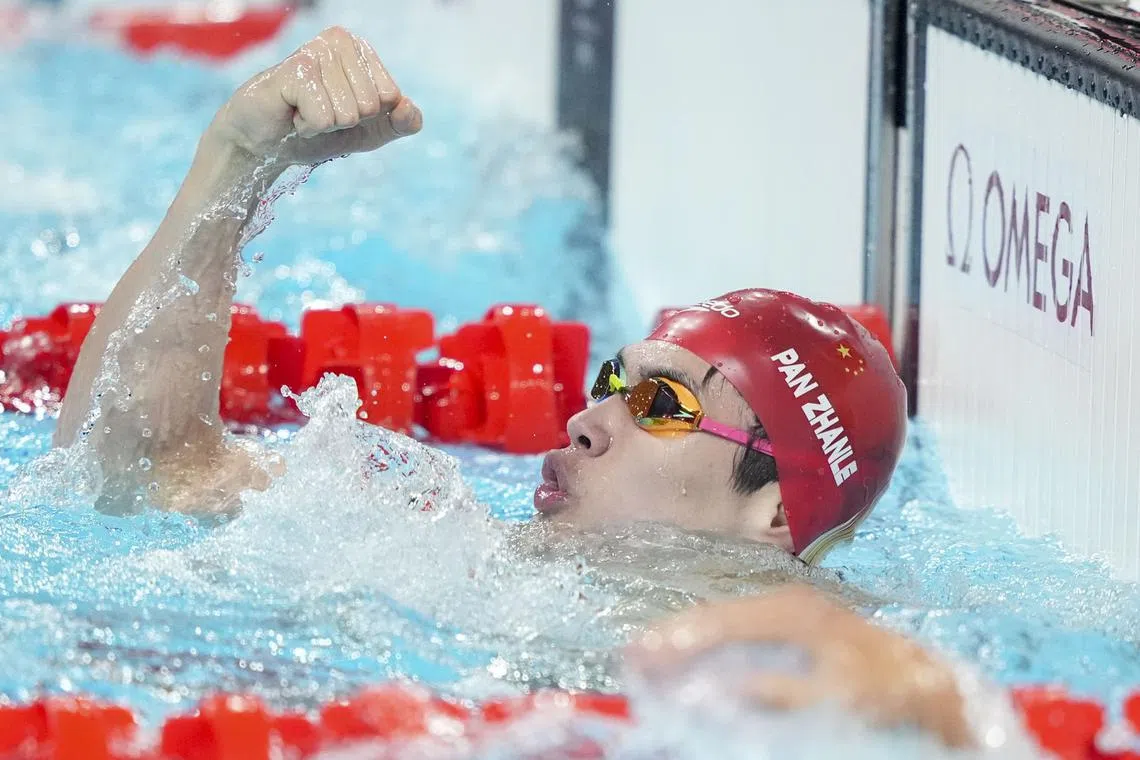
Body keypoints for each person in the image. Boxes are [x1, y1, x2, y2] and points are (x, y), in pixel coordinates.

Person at [46, 27, 998, 752]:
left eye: (663, 407)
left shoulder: (813, 661)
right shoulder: (446, 550)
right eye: (611, 383)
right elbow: (134, 472)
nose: (587, 420)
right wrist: (239, 159)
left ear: (777, 516)